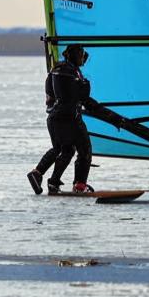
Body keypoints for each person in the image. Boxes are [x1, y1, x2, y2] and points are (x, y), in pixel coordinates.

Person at [27, 44, 96, 195]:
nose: (84, 58)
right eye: (82, 54)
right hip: (70, 118)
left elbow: (52, 94)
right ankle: (79, 185)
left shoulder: (56, 70)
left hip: (54, 117)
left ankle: (44, 176)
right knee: (84, 150)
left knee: (64, 149)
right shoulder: (70, 72)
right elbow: (80, 96)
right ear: (74, 56)